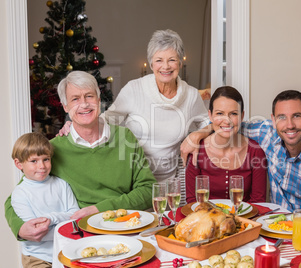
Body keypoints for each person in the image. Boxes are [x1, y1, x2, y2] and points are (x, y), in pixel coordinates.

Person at [5, 70, 156, 242]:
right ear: (66, 107)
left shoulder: (125, 137)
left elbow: (149, 189)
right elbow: (19, 193)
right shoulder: (54, 149)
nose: (84, 104)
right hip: (83, 237)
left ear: (99, 101)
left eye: (89, 96)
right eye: (75, 99)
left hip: (127, 228)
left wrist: (100, 209)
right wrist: (19, 228)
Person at [59, 29, 209, 183]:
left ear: (180, 62)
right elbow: (108, 119)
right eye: (159, 60)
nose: (166, 66)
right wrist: (75, 126)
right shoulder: (134, 89)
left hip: (168, 182)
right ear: (151, 63)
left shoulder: (190, 95)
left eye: (172, 59)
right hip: (131, 179)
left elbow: (210, 123)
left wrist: (197, 134)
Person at [181, 90, 301, 220]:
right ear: (273, 120)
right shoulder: (267, 134)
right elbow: (226, 127)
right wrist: (199, 133)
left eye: (297, 116)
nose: (289, 125)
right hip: (276, 226)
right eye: (282, 117)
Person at [185, 86, 267, 203]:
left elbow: (258, 202)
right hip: (207, 219)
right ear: (210, 115)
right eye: (219, 113)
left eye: (233, 113)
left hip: (246, 219)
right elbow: (192, 201)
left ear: (242, 116)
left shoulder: (255, 152)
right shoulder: (196, 151)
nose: (227, 120)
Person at [10, 132, 79, 267]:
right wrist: (65, 225)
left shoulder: (61, 184)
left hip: (66, 252)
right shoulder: (20, 194)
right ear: (19, 164)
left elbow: (75, 216)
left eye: (46, 159)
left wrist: (51, 218)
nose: (42, 166)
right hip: (38, 257)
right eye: (34, 161)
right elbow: (37, 233)